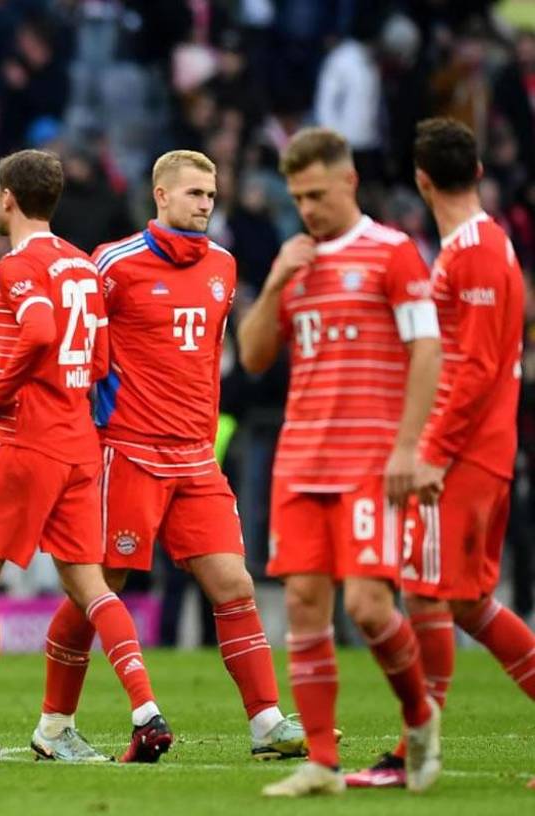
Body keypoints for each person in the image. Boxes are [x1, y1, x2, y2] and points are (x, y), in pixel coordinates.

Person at [34, 150, 305, 764]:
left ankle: (266, 721)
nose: (205, 204)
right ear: (160, 195)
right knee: (100, 588)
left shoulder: (224, 266)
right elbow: (78, 349)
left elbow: (210, 358)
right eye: (193, 193)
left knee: (234, 584)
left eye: (211, 194)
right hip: (127, 451)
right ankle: (54, 725)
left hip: (195, 458)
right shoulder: (113, 263)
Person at [0, 149, 162, 764]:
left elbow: (41, 330)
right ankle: (146, 711)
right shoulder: (82, 263)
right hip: (78, 442)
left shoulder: (18, 263)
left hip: (22, 438)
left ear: (6, 197)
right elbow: (99, 362)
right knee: (90, 584)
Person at [236, 127, 443, 797]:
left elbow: (428, 351)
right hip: (300, 459)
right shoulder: (296, 262)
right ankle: (323, 762)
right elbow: (253, 357)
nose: (308, 209)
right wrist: (275, 281)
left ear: (349, 182)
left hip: (368, 460)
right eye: (298, 197)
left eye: (318, 195)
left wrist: (408, 446)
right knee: (303, 604)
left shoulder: (392, 253)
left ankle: (420, 716)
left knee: (369, 607)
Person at [348, 118, 535, 788]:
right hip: (485, 451)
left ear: (421, 181)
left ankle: (412, 753)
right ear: (478, 172)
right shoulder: (482, 245)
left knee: (425, 597)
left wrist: (432, 451)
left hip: (462, 457)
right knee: (468, 604)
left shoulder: (474, 252)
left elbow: (475, 369)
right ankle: (414, 748)